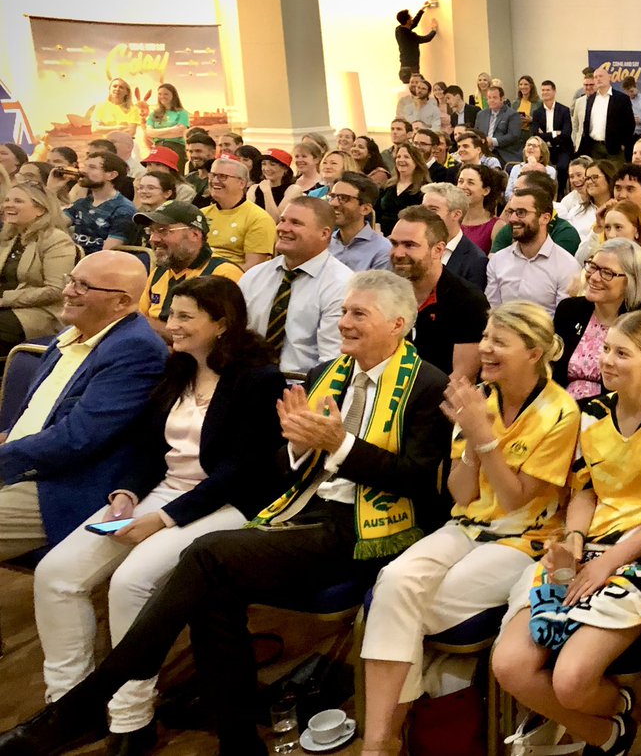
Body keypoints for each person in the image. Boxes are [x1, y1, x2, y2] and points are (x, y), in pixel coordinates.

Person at [0, 271, 450, 756]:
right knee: (212, 591)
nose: (343, 323)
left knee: (208, 553)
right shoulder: (328, 374)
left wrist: (337, 445)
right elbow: (283, 467)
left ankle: (87, 702)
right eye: (343, 311)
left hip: (368, 531)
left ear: (399, 323)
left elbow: (417, 482)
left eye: (358, 314)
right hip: (303, 512)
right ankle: (236, 737)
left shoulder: (427, 385)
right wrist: (299, 447)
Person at [32, 276, 285, 755]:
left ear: (222, 323)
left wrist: (162, 519)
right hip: (163, 493)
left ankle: (132, 718)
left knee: (132, 582)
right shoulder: (177, 370)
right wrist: (126, 494)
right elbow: (149, 449)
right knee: (56, 574)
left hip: (225, 505)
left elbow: (242, 472)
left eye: (186, 316)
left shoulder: (259, 380)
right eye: (171, 315)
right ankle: (69, 706)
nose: (172, 325)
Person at [359, 301, 579, 756]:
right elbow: (461, 494)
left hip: (524, 539)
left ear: (534, 352)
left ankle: (386, 737)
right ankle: (379, 741)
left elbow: (517, 497)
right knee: (394, 581)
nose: (485, 349)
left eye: (499, 341)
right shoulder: (480, 396)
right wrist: (474, 443)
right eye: (485, 339)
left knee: (399, 606)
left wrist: (483, 435)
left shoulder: (562, 411)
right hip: (465, 525)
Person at [492, 309, 641, 756]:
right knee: (509, 665)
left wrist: (610, 561)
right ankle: (610, 731)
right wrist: (576, 542)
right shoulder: (590, 416)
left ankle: (624, 706)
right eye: (605, 349)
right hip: (589, 551)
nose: (606, 360)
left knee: (570, 680)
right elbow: (584, 493)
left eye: (621, 353)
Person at [0, 251, 168, 562]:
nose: (67, 291)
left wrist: (5, 456)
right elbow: (38, 413)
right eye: (71, 281)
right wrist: (7, 438)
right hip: (25, 461)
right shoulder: (72, 333)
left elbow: (78, 438)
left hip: (63, 486)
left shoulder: (135, 349)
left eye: (83, 286)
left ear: (120, 302)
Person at [239, 196, 352, 373]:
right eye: (283, 220)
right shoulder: (254, 276)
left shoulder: (342, 285)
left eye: (296, 223)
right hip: (245, 382)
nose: (282, 228)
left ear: (324, 233)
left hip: (302, 388)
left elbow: (332, 362)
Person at [554, 237, 641, 400]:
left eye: (607, 273)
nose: (593, 277)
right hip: (562, 407)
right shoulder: (569, 310)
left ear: (630, 281)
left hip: (614, 411)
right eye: (593, 267)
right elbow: (552, 371)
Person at [389, 205, 487, 379]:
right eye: (394, 243)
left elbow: (462, 378)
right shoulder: (387, 294)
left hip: (436, 400)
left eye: (409, 245)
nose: (398, 253)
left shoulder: (467, 301)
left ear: (438, 250)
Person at [136, 202, 244, 337]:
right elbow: (138, 321)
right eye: (151, 231)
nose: (153, 239)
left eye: (163, 230)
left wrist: (147, 325)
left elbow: (216, 337)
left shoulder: (222, 273)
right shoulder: (159, 272)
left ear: (195, 234)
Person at [0, 181, 76, 354]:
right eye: (7, 200)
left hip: (41, 314)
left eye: (18, 201)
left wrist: (5, 299)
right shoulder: (9, 237)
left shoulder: (56, 240)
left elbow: (56, 289)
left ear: (40, 210)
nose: (8, 205)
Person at [485, 182, 580, 314]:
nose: (512, 219)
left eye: (521, 213)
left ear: (545, 218)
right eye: (511, 212)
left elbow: (562, 321)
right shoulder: (498, 260)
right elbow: (492, 311)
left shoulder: (567, 266)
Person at [199, 157, 276, 270]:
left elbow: (253, 268)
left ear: (241, 183)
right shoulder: (201, 214)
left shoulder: (259, 218)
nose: (214, 181)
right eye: (212, 175)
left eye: (222, 176)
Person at [65, 152, 137, 255]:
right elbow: (51, 223)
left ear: (111, 175)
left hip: (97, 265)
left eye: (92, 167)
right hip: (74, 259)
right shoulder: (83, 203)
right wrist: (53, 189)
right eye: (85, 166)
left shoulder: (123, 209)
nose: (83, 171)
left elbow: (107, 253)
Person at [421, 182, 488, 291]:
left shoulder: (475, 260)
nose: (423, 214)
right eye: (423, 208)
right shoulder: (415, 246)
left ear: (456, 214)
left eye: (433, 209)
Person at [329, 171, 390, 272]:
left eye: (343, 198)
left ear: (365, 209)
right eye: (332, 197)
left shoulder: (382, 250)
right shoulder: (324, 244)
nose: (334, 203)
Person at [377, 142, 431, 235]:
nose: (401, 160)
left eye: (406, 157)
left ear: (416, 162)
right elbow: (377, 211)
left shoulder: (424, 189)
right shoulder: (388, 186)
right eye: (398, 157)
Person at [531, 80, 575, 186]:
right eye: (543, 90)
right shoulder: (537, 112)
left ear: (554, 91)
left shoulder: (564, 110)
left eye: (548, 90)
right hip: (543, 148)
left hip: (562, 148)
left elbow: (566, 133)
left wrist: (546, 135)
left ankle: (561, 192)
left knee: (562, 167)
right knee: (536, 168)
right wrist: (555, 133)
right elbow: (536, 134)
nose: (545, 92)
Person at [458, 163, 507, 254]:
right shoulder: (450, 220)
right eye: (460, 181)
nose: (463, 187)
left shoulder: (497, 227)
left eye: (470, 183)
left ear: (486, 191)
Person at [476, 86, 524, 166]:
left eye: (494, 97)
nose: (491, 100)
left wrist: (493, 141)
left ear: (502, 99)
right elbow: (476, 133)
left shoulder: (512, 114)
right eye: (489, 98)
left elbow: (514, 135)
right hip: (483, 152)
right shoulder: (481, 114)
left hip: (503, 153)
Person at [143, 84, 189, 166]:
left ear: (173, 95)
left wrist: (157, 133)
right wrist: (171, 130)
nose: (162, 96)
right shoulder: (154, 113)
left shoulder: (182, 113)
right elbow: (149, 132)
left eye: (166, 94)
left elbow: (181, 131)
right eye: (160, 94)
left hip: (176, 148)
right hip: (158, 148)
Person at [557, 157, 599, 241]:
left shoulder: (598, 198)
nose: (575, 180)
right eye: (571, 176)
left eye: (579, 175)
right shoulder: (567, 201)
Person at [504, 136, 558, 200]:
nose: (530, 147)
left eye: (534, 146)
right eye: (528, 145)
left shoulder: (550, 170)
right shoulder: (516, 168)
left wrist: (533, 165)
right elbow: (507, 194)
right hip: (516, 204)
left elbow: (546, 194)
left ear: (542, 152)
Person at [395, 5, 437, 76]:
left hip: (404, 64)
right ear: (408, 21)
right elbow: (426, 38)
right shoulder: (410, 35)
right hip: (412, 65)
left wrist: (422, 10)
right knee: (415, 83)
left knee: (407, 83)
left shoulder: (398, 30)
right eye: (410, 18)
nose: (412, 18)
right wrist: (434, 29)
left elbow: (413, 23)